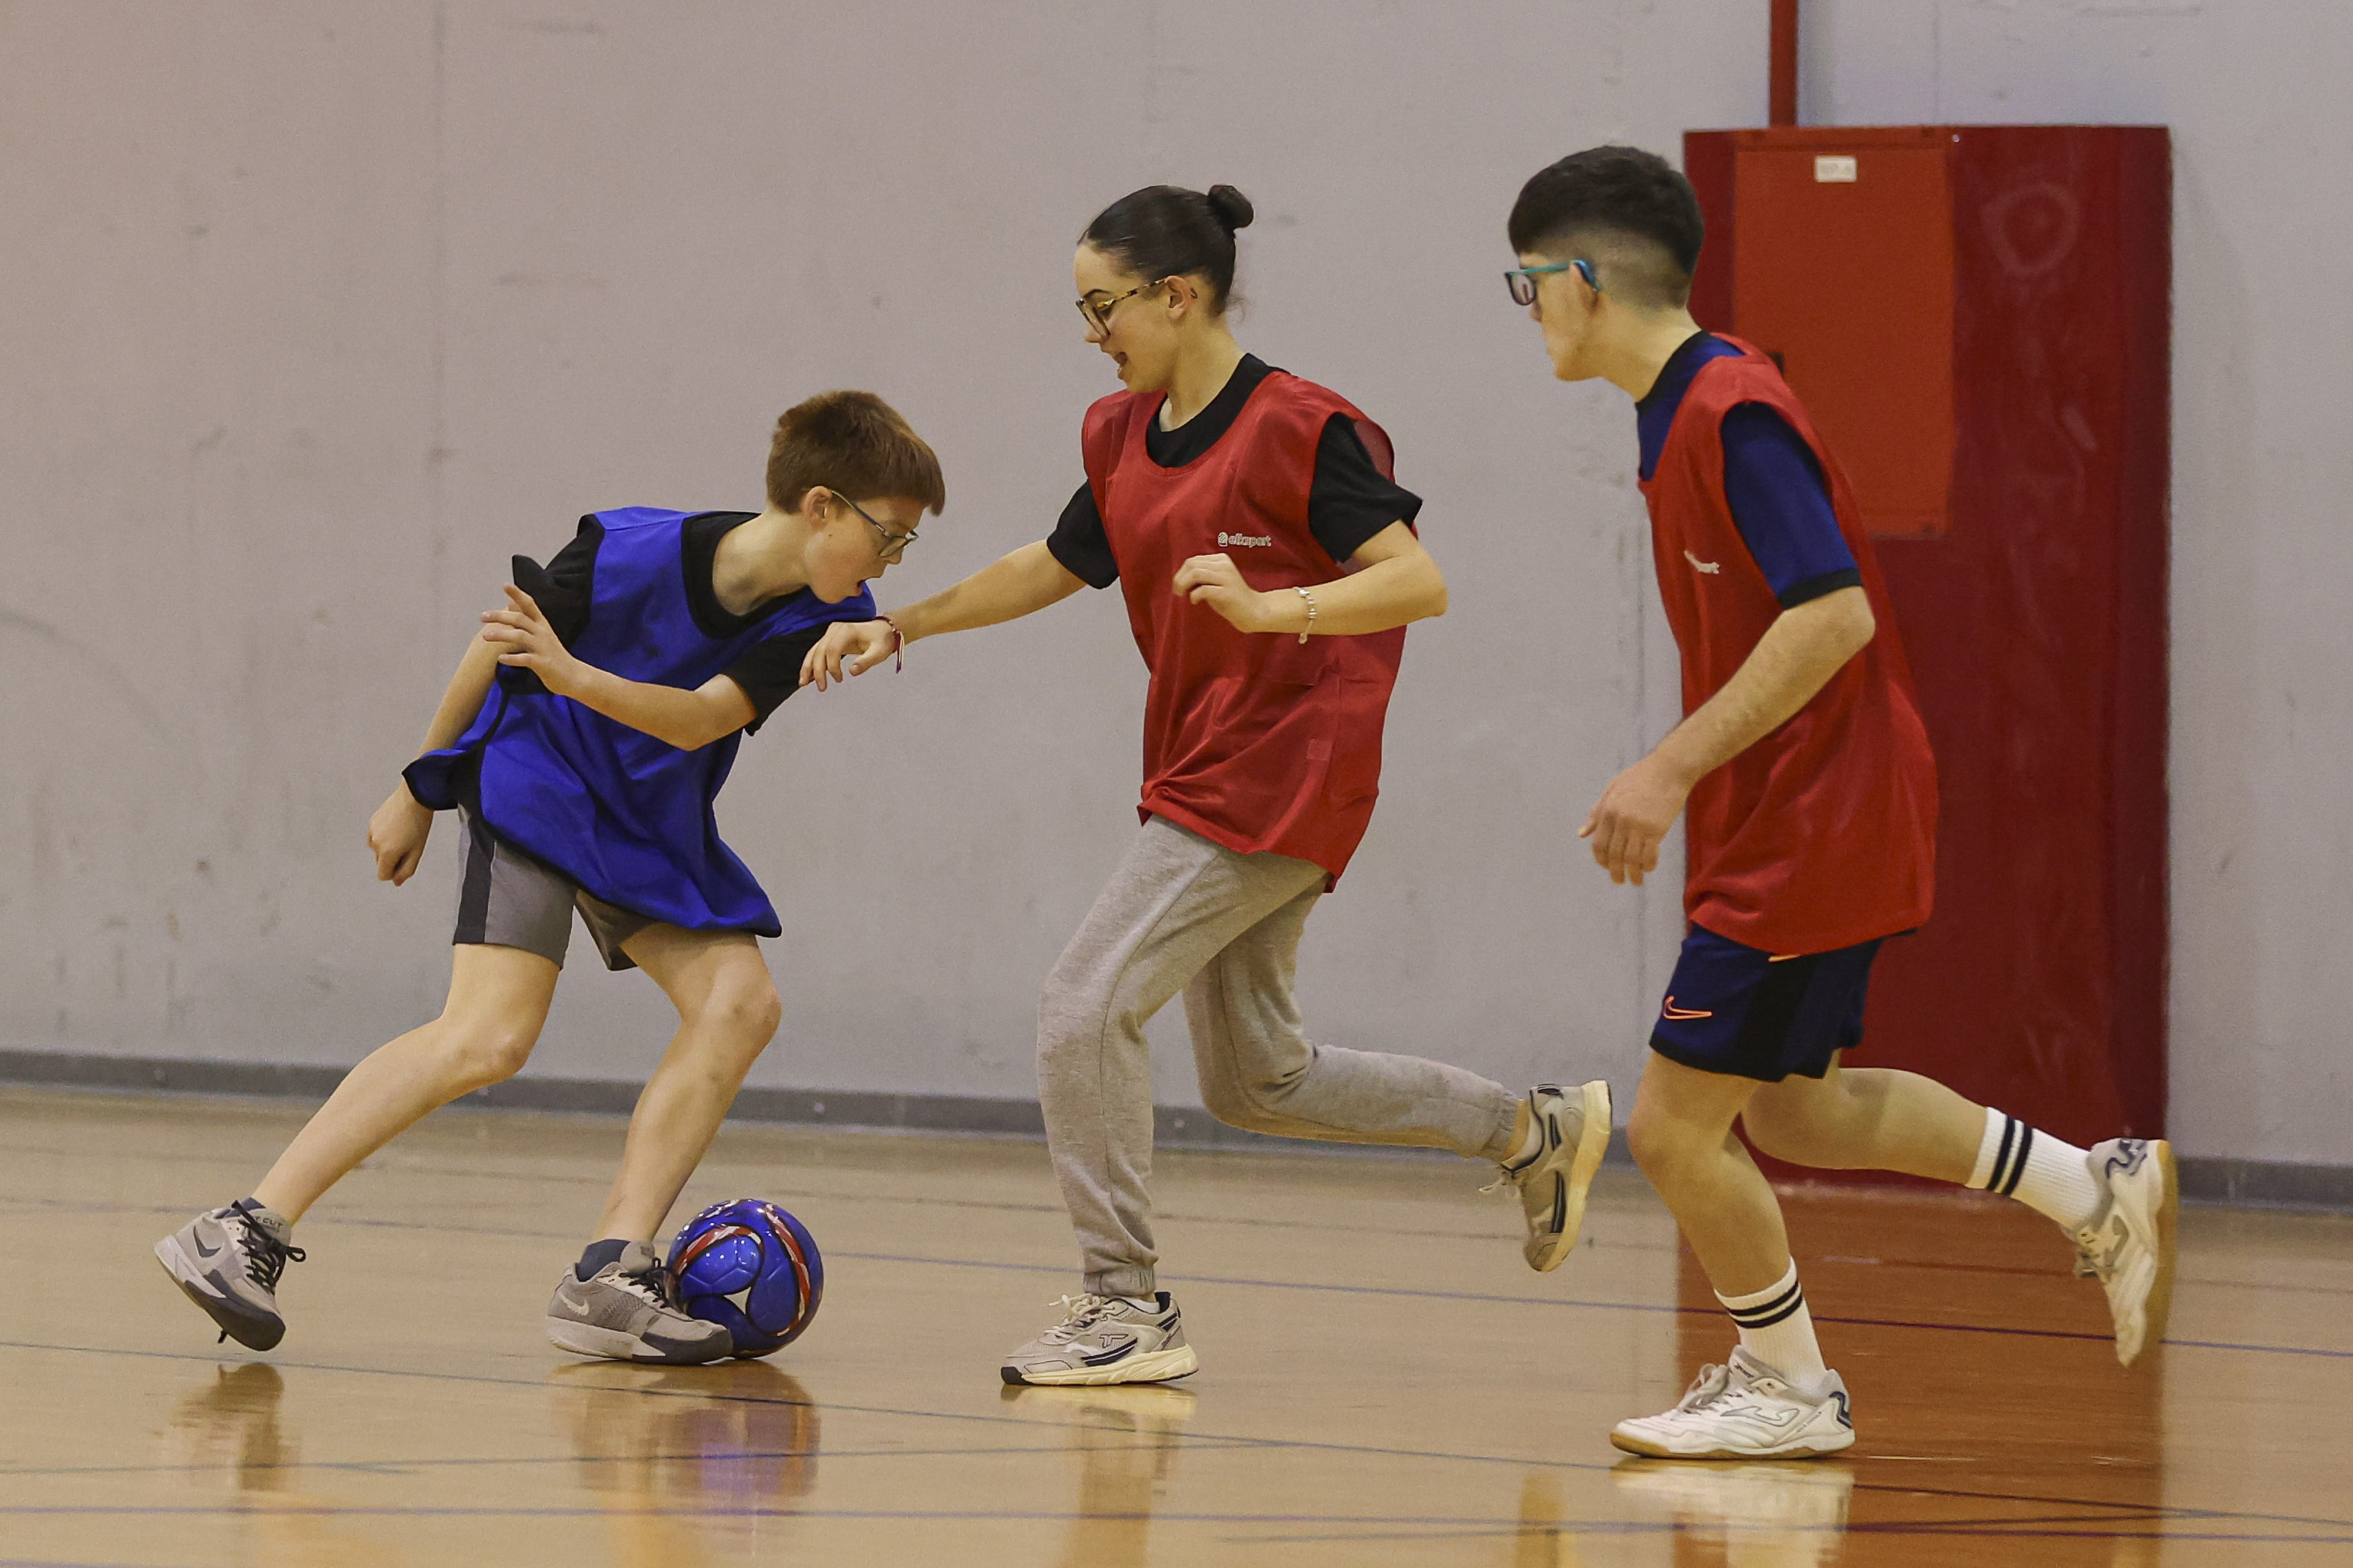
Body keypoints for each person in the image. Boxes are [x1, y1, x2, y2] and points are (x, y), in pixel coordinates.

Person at [804, 182, 1613, 1387]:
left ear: (1175, 295)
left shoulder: (1303, 428)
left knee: (1083, 1005)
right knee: (1257, 1077)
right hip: (1197, 760)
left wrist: (1272, 607)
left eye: (1102, 307)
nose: (1092, 333)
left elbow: (1414, 580)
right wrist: (901, 622)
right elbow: (1059, 560)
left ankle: (1124, 1307)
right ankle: (1528, 1130)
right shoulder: (1121, 432)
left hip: (1285, 767)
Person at [1503, 146, 2177, 1458]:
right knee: (1793, 1105)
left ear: (1579, 281)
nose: (1525, 309)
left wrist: (1666, 765)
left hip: (1812, 815)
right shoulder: (1670, 413)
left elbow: (1834, 617)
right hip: (1799, 808)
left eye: (1525, 283)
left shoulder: (1727, 409)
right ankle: (2086, 1182)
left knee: (1670, 1128)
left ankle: (1788, 1385)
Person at [155, 391, 944, 1364]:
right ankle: (244, 1227)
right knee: (487, 1036)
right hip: (539, 780)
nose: (891, 563)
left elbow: (699, 720)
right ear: (822, 506)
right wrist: (418, 784)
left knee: (740, 1001)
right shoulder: (624, 547)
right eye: (889, 536)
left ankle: (610, 1271)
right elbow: (499, 647)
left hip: (649, 816)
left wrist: (576, 675)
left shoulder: (832, 618)